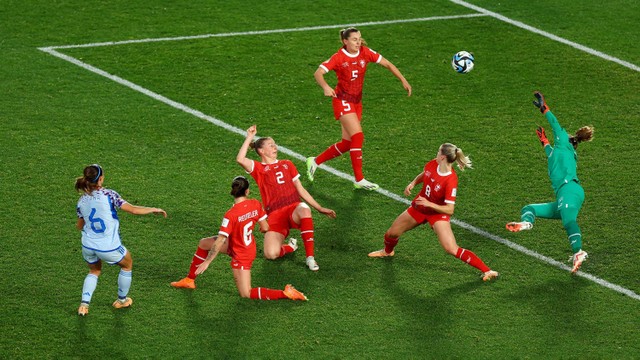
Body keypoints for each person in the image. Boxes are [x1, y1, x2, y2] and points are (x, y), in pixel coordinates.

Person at [368, 144, 499, 281]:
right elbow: (426, 174)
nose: (436, 154)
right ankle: (387, 252)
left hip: (437, 214)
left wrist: (429, 204)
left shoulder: (450, 180)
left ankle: (487, 271)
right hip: (420, 208)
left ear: (442, 157)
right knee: (392, 233)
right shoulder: (433, 163)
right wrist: (413, 183)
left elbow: (450, 209)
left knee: (451, 248)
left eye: (438, 152)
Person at [306, 27, 412, 191]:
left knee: (347, 143)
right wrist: (326, 87)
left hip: (356, 102)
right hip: (342, 101)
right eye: (354, 39)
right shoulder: (338, 57)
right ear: (345, 41)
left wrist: (403, 80)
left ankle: (314, 161)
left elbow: (387, 64)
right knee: (358, 136)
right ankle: (359, 179)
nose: (358, 42)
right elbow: (318, 73)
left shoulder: (365, 52)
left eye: (359, 38)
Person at [171, 176, 308, 301]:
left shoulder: (231, 215)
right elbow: (265, 227)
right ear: (247, 191)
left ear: (233, 191)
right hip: (238, 244)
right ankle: (189, 280)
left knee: (246, 293)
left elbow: (219, 240)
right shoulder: (255, 204)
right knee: (204, 243)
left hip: (242, 254)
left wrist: (207, 261)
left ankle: (285, 293)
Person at [507, 92, 594, 273]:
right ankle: (527, 222)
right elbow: (549, 152)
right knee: (529, 208)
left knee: (569, 220)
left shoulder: (564, 143)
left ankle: (578, 252)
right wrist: (544, 141)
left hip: (570, 189)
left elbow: (555, 125)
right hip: (564, 194)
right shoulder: (558, 153)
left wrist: (544, 108)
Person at [237, 125, 336, 271]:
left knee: (304, 209)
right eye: (271, 145)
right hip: (275, 215)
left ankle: (310, 258)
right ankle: (290, 246)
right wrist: (250, 137)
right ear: (261, 151)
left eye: (275, 144)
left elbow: (300, 189)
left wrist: (319, 208)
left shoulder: (287, 164)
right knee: (270, 254)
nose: (275, 147)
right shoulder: (258, 169)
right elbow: (240, 159)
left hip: (293, 209)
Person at [75, 164, 167, 316]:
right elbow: (132, 209)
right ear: (101, 179)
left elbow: (79, 226)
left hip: (88, 244)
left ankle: (84, 305)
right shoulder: (109, 195)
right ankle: (122, 301)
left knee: (94, 270)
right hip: (108, 247)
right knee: (127, 264)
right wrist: (153, 209)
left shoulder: (81, 201)